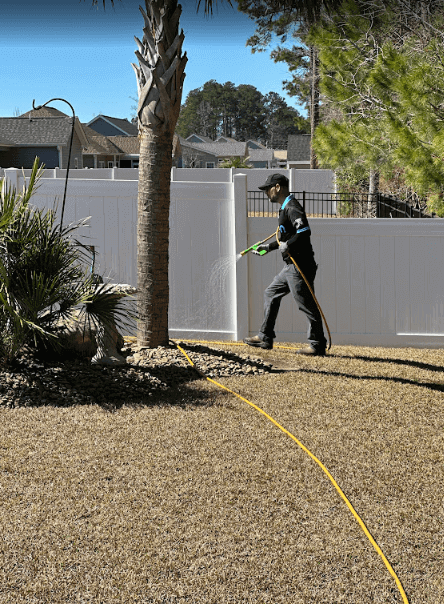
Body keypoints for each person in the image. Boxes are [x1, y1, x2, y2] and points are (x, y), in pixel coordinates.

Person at [244, 173, 327, 355]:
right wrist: (268, 247)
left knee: (306, 304)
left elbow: (304, 231)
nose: (266, 192)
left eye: (268, 189)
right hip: (290, 266)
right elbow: (286, 237)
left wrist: (288, 245)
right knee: (271, 293)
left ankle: (317, 344)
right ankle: (265, 337)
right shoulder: (285, 207)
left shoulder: (292, 207)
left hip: (299, 266)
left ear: (278, 187)